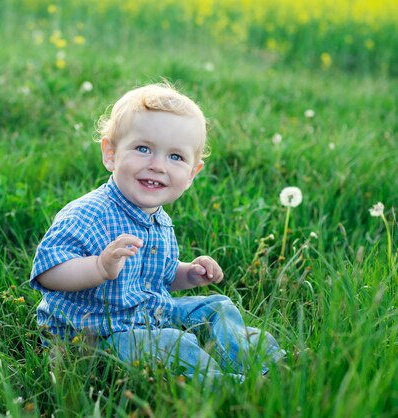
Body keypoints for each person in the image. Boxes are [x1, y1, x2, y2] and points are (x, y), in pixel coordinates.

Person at [30, 82, 285, 382]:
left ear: (191, 174)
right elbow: (48, 272)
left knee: (216, 307)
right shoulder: (88, 214)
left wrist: (188, 274)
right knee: (170, 345)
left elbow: (155, 278)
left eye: (175, 157)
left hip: (147, 314)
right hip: (95, 335)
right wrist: (98, 266)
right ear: (111, 154)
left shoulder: (158, 220)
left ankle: (264, 364)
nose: (157, 166)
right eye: (143, 149)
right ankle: (234, 386)